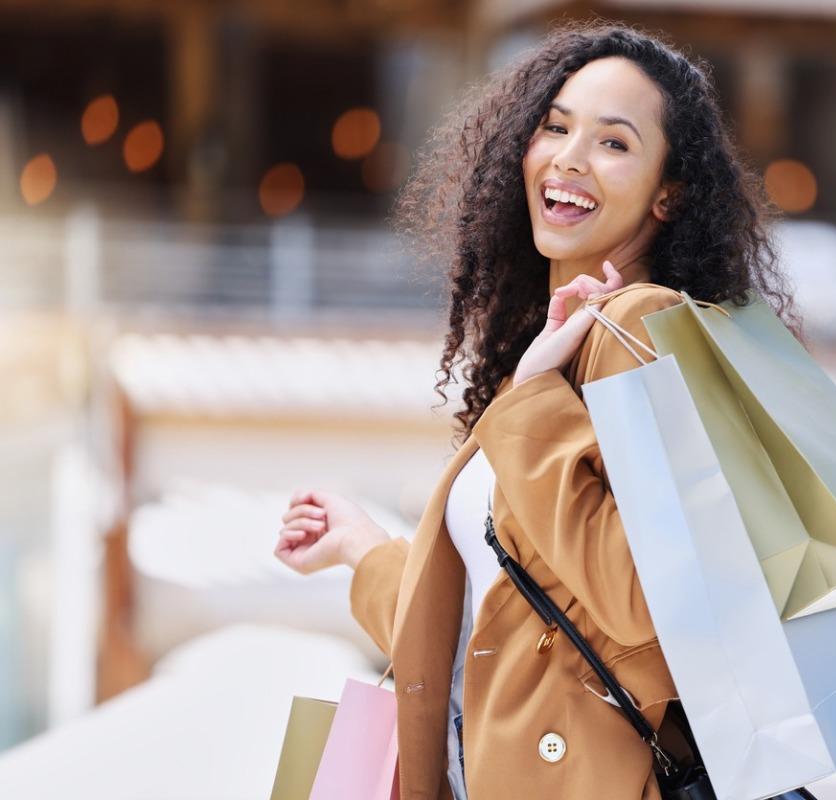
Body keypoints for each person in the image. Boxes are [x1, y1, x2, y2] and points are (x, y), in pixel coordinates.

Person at [273, 20, 799, 800]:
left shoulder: (643, 329)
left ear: (669, 194)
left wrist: (529, 404)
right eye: (555, 127)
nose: (569, 157)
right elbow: (504, 631)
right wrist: (364, 548)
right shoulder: (562, 349)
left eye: (614, 143)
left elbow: (640, 600)